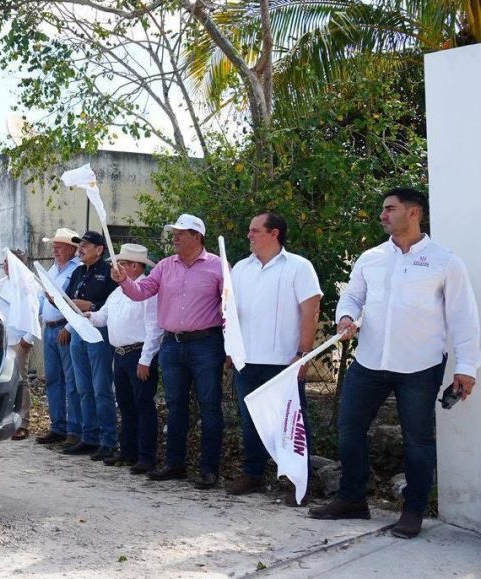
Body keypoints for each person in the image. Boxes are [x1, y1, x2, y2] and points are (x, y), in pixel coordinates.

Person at [309, 188, 480, 539]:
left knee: (417, 440)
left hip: (420, 365)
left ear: (414, 212)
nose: (383, 215)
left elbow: (464, 317)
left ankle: (413, 511)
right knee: (350, 429)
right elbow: (353, 295)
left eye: (390, 209)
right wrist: (345, 316)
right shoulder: (370, 257)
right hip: (370, 361)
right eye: (383, 209)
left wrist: (467, 367)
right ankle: (352, 499)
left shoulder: (444, 261)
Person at [120, 214, 225, 489]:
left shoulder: (218, 266)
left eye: (181, 233)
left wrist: (230, 348)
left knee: (210, 407)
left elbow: (230, 310)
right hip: (172, 344)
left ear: (197, 236)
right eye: (174, 232)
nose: (175, 237)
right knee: (176, 406)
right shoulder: (165, 266)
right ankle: (175, 464)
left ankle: (209, 469)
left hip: (207, 344)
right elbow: (141, 292)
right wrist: (124, 281)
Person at [226, 212, 321, 504]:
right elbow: (231, 311)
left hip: (283, 363)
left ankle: (297, 481)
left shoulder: (298, 267)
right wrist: (231, 349)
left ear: (274, 233)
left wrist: (303, 354)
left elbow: (310, 310)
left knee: (291, 423)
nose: (249, 235)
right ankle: (253, 474)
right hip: (247, 360)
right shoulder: (241, 269)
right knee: (251, 421)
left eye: (255, 230)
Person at [87, 244, 162, 473]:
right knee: (127, 405)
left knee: (143, 405)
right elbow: (103, 317)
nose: (117, 268)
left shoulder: (148, 291)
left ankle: (146, 455)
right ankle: (128, 451)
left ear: (135, 266)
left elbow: (154, 327)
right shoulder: (117, 292)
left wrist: (146, 359)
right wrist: (87, 315)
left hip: (138, 353)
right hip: (119, 355)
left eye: (123, 263)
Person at [60, 230, 119, 461]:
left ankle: (108, 440)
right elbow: (67, 299)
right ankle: (89, 437)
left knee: (101, 388)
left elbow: (115, 302)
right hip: (77, 332)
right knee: (83, 387)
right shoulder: (76, 272)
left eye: (86, 244)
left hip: (99, 332)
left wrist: (92, 305)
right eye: (80, 245)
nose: (81, 248)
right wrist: (56, 298)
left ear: (99, 249)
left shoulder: (109, 272)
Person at [34, 228, 84, 448]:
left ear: (72, 249)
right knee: (54, 379)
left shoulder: (78, 270)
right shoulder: (53, 268)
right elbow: (41, 298)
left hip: (65, 328)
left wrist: (70, 327)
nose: (55, 248)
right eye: (55, 244)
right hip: (50, 327)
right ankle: (58, 426)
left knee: (71, 381)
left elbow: (77, 303)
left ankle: (74, 428)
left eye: (60, 245)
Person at [0, 249, 36, 440]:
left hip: (20, 339)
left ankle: (24, 422)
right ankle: (4, 418)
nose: (4, 265)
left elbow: (34, 311)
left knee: (21, 379)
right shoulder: (1, 283)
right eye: (4, 262)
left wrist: (29, 337)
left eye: (7, 262)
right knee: (3, 379)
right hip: (3, 338)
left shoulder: (28, 283)